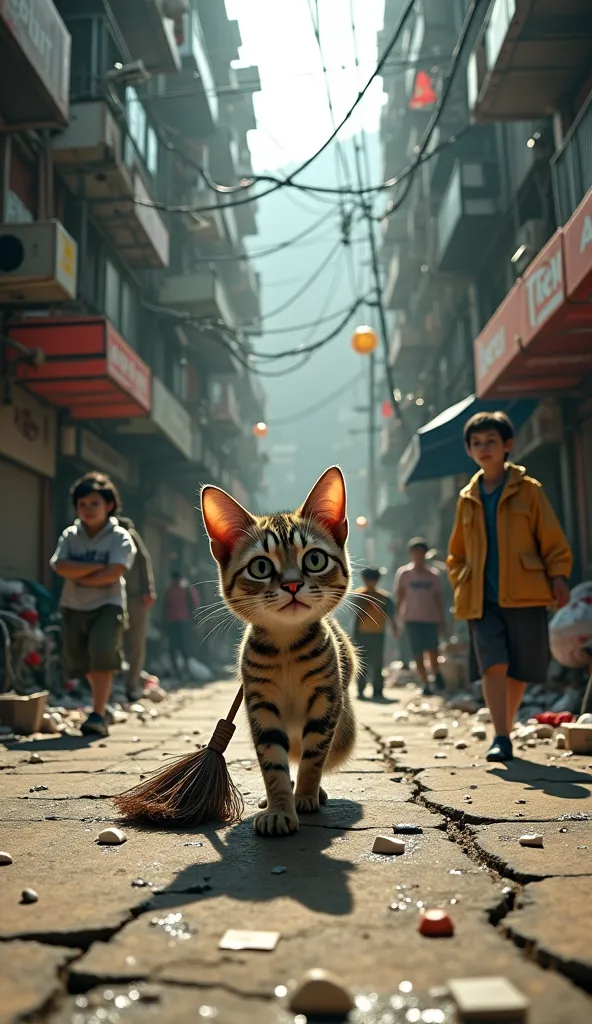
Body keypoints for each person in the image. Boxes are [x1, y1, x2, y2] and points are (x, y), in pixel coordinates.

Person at [447, 411, 572, 763]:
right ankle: (500, 735)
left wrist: (558, 575)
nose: (483, 448)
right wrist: (462, 581)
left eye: (490, 441)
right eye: (476, 443)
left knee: (519, 668)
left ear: (507, 445)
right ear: (469, 451)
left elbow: (551, 540)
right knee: (494, 664)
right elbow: (455, 554)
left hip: (526, 593)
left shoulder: (529, 491)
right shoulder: (466, 497)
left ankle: (507, 725)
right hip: (481, 600)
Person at [50, 472, 136, 738]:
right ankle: (103, 702)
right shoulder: (70, 535)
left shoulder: (119, 536)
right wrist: (97, 567)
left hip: (108, 605)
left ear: (109, 505)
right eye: (82, 504)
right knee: (81, 660)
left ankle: (97, 714)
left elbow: (115, 573)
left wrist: (80, 573)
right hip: (74, 605)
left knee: (101, 652)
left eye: (94, 503)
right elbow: (60, 566)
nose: (87, 509)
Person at [394, 538, 447, 695]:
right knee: (417, 653)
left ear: (425, 554)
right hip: (412, 619)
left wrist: (442, 619)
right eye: (415, 552)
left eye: (421, 553)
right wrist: (396, 620)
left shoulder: (433, 575)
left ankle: (436, 673)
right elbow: (399, 597)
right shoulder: (404, 574)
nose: (418, 556)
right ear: (411, 554)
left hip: (430, 619)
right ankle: (425, 682)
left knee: (432, 651)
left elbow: (438, 599)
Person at [117, 516, 156, 701]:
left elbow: (143, 559)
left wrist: (147, 589)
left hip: (133, 597)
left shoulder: (129, 534)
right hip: (111, 595)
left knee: (135, 643)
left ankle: (131, 685)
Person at [351, 567, 397, 700]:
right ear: (364, 579)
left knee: (378, 663)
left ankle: (378, 689)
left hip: (378, 633)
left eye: (373, 580)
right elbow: (356, 615)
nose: (371, 582)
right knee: (362, 663)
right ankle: (361, 689)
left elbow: (391, 615)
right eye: (368, 580)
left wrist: (394, 628)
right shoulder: (358, 595)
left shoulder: (384, 597)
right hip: (361, 633)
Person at [164, 570, 198, 679]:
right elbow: (165, 606)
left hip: (184, 622)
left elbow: (195, 603)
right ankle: (177, 671)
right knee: (173, 647)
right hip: (173, 622)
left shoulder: (187, 589)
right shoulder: (169, 590)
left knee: (184, 647)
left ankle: (186, 671)